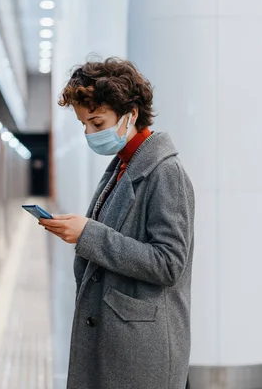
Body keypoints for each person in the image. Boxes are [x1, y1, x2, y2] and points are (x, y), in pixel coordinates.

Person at [39, 57, 195, 389]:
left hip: (141, 349)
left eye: (97, 123)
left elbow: (169, 263)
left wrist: (88, 234)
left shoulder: (165, 172)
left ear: (131, 115)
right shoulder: (123, 165)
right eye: (84, 125)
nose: (89, 134)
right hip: (118, 338)